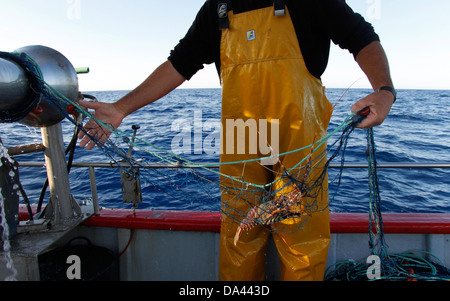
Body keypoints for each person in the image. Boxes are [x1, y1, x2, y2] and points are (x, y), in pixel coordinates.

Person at [78, 0, 396, 281]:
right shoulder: (217, 7)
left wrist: (384, 90)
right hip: (242, 135)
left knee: (301, 228)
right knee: (239, 229)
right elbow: (180, 62)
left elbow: (360, 36)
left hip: (299, 133)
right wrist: (121, 107)